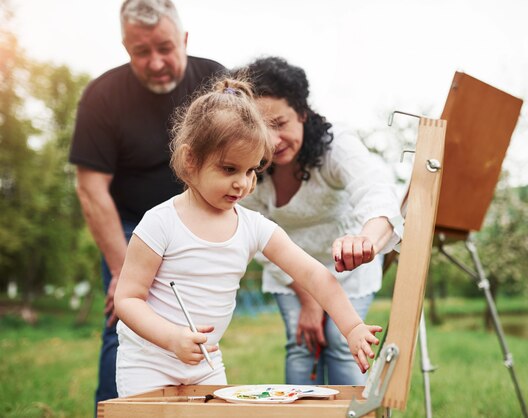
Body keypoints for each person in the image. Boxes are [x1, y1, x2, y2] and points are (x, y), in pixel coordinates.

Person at [113, 77, 382, 397]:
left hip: (205, 364)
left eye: (252, 170)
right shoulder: (160, 223)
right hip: (147, 363)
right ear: (190, 160)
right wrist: (172, 338)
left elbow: (313, 274)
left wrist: (351, 326)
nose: (243, 183)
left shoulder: (254, 226)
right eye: (229, 169)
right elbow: (127, 299)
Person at [68, 0, 225, 406]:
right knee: (124, 320)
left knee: (197, 327)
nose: (155, 62)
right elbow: (90, 188)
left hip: (197, 221)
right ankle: (114, 412)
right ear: (125, 48)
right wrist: (122, 269)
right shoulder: (102, 97)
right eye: (141, 51)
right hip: (131, 227)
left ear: (184, 40)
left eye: (165, 48)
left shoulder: (215, 81)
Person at [238, 57, 401, 385]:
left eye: (280, 122)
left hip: (347, 263)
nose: (272, 140)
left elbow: (376, 191)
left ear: (302, 112)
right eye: (260, 127)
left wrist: (366, 241)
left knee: (342, 342)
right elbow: (252, 235)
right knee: (302, 345)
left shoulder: (335, 145)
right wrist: (309, 298)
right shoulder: (247, 163)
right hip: (289, 270)